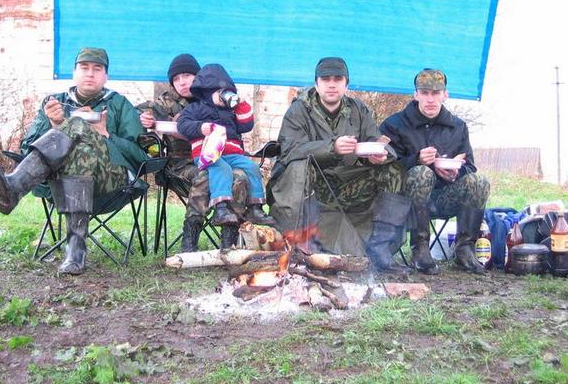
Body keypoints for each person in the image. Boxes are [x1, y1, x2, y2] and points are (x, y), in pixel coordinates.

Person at [0, 47, 147, 275]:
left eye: (97, 69)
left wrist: (105, 134)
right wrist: (52, 125)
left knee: (76, 123)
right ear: (74, 73)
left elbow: (140, 156)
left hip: (112, 180)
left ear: (106, 76)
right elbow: (26, 146)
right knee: (78, 153)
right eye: (84, 67)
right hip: (60, 182)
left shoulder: (119, 105)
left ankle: (15, 187)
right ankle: (75, 255)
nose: (90, 73)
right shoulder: (54, 104)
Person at [267, 57, 412, 274]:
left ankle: (381, 247)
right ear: (317, 84)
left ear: (346, 84)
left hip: (349, 184)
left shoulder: (358, 110)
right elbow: (290, 151)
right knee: (299, 167)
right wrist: (331, 147)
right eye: (326, 79)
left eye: (338, 79)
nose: (332, 84)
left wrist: (377, 154)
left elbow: (378, 140)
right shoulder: (298, 110)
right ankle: (307, 245)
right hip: (312, 187)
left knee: (393, 169)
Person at [380, 68, 490, 274]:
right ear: (416, 95)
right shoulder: (394, 124)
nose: (430, 99)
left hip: (444, 198)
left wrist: (457, 172)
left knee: (479, 181)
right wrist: (417, 160)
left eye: (436, 93)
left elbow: (470, 165)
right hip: (406, 201)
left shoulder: (457, 127)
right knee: (422, 173)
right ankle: (420, 248)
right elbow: (382, 167)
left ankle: (465, 248)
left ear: (445, 95)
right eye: (425, 93)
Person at [138, 54, 249, 251]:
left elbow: (239, 126)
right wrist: (145, 120)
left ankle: (229, 242)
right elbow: (136, 113)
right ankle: (189, 241)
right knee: (205, 175)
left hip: (222, 161)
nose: (182, 82)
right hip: (180, 165)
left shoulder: (218, 99)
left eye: (187, 76)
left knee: (239, 176)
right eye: (176, 79)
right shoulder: (166, 103)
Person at [177, 63, 275, 228]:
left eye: (226, 92)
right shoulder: (196, 109)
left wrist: (241, 105)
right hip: (208, 153)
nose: (223, 96)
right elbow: (182, 125)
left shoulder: (230, 111)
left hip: (233, 154)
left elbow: (246, 125)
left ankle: (255, 207)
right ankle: (220, 207)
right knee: (222, 168)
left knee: (251, 167)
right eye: (219, 93)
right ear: (207, 92)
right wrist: (200, 128)